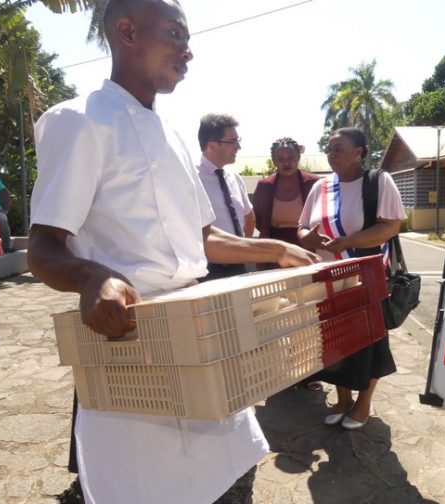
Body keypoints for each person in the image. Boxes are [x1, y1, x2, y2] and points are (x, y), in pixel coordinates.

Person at [26, 1, 319, 503]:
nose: (188, 50)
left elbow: (203, 238)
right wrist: (93, 278)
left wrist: (272, 248)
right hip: (131, 346)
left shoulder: (176, 137)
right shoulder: (78, 120)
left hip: (199, 330)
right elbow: (42, 248)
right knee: (145, 486)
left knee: (229, 476)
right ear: (126, 31)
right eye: (175, 35)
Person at [298, 127, 406, 430]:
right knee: (335, 343)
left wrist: (348, 241)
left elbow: (390, 227)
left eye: (339, 149)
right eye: (329, 150)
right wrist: (309, 239)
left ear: (359, 152)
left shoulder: (378, 182)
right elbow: (302, 228)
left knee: (368, 343)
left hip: (365, 279)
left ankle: (363, 403)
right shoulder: (321, 187)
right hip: (327, 281)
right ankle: (342, 399)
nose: (332, 155)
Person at [196, 113, 254, 280]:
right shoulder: (190, 179)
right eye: (233, 142)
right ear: (212, 146)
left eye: (238, 141)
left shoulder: (234, 178)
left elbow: (249, 218)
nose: (238, 147)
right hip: (208, 272)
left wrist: (242, 250)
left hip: (240, 269)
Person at [252, 136, 319, 271]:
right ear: (274, 161)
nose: (286, 163)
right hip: (274, 252)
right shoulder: (264, 186)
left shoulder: (313, 183)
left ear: (298, 157)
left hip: (307, 248)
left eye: (291, 157)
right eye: (280, 159)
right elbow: (258, 220)